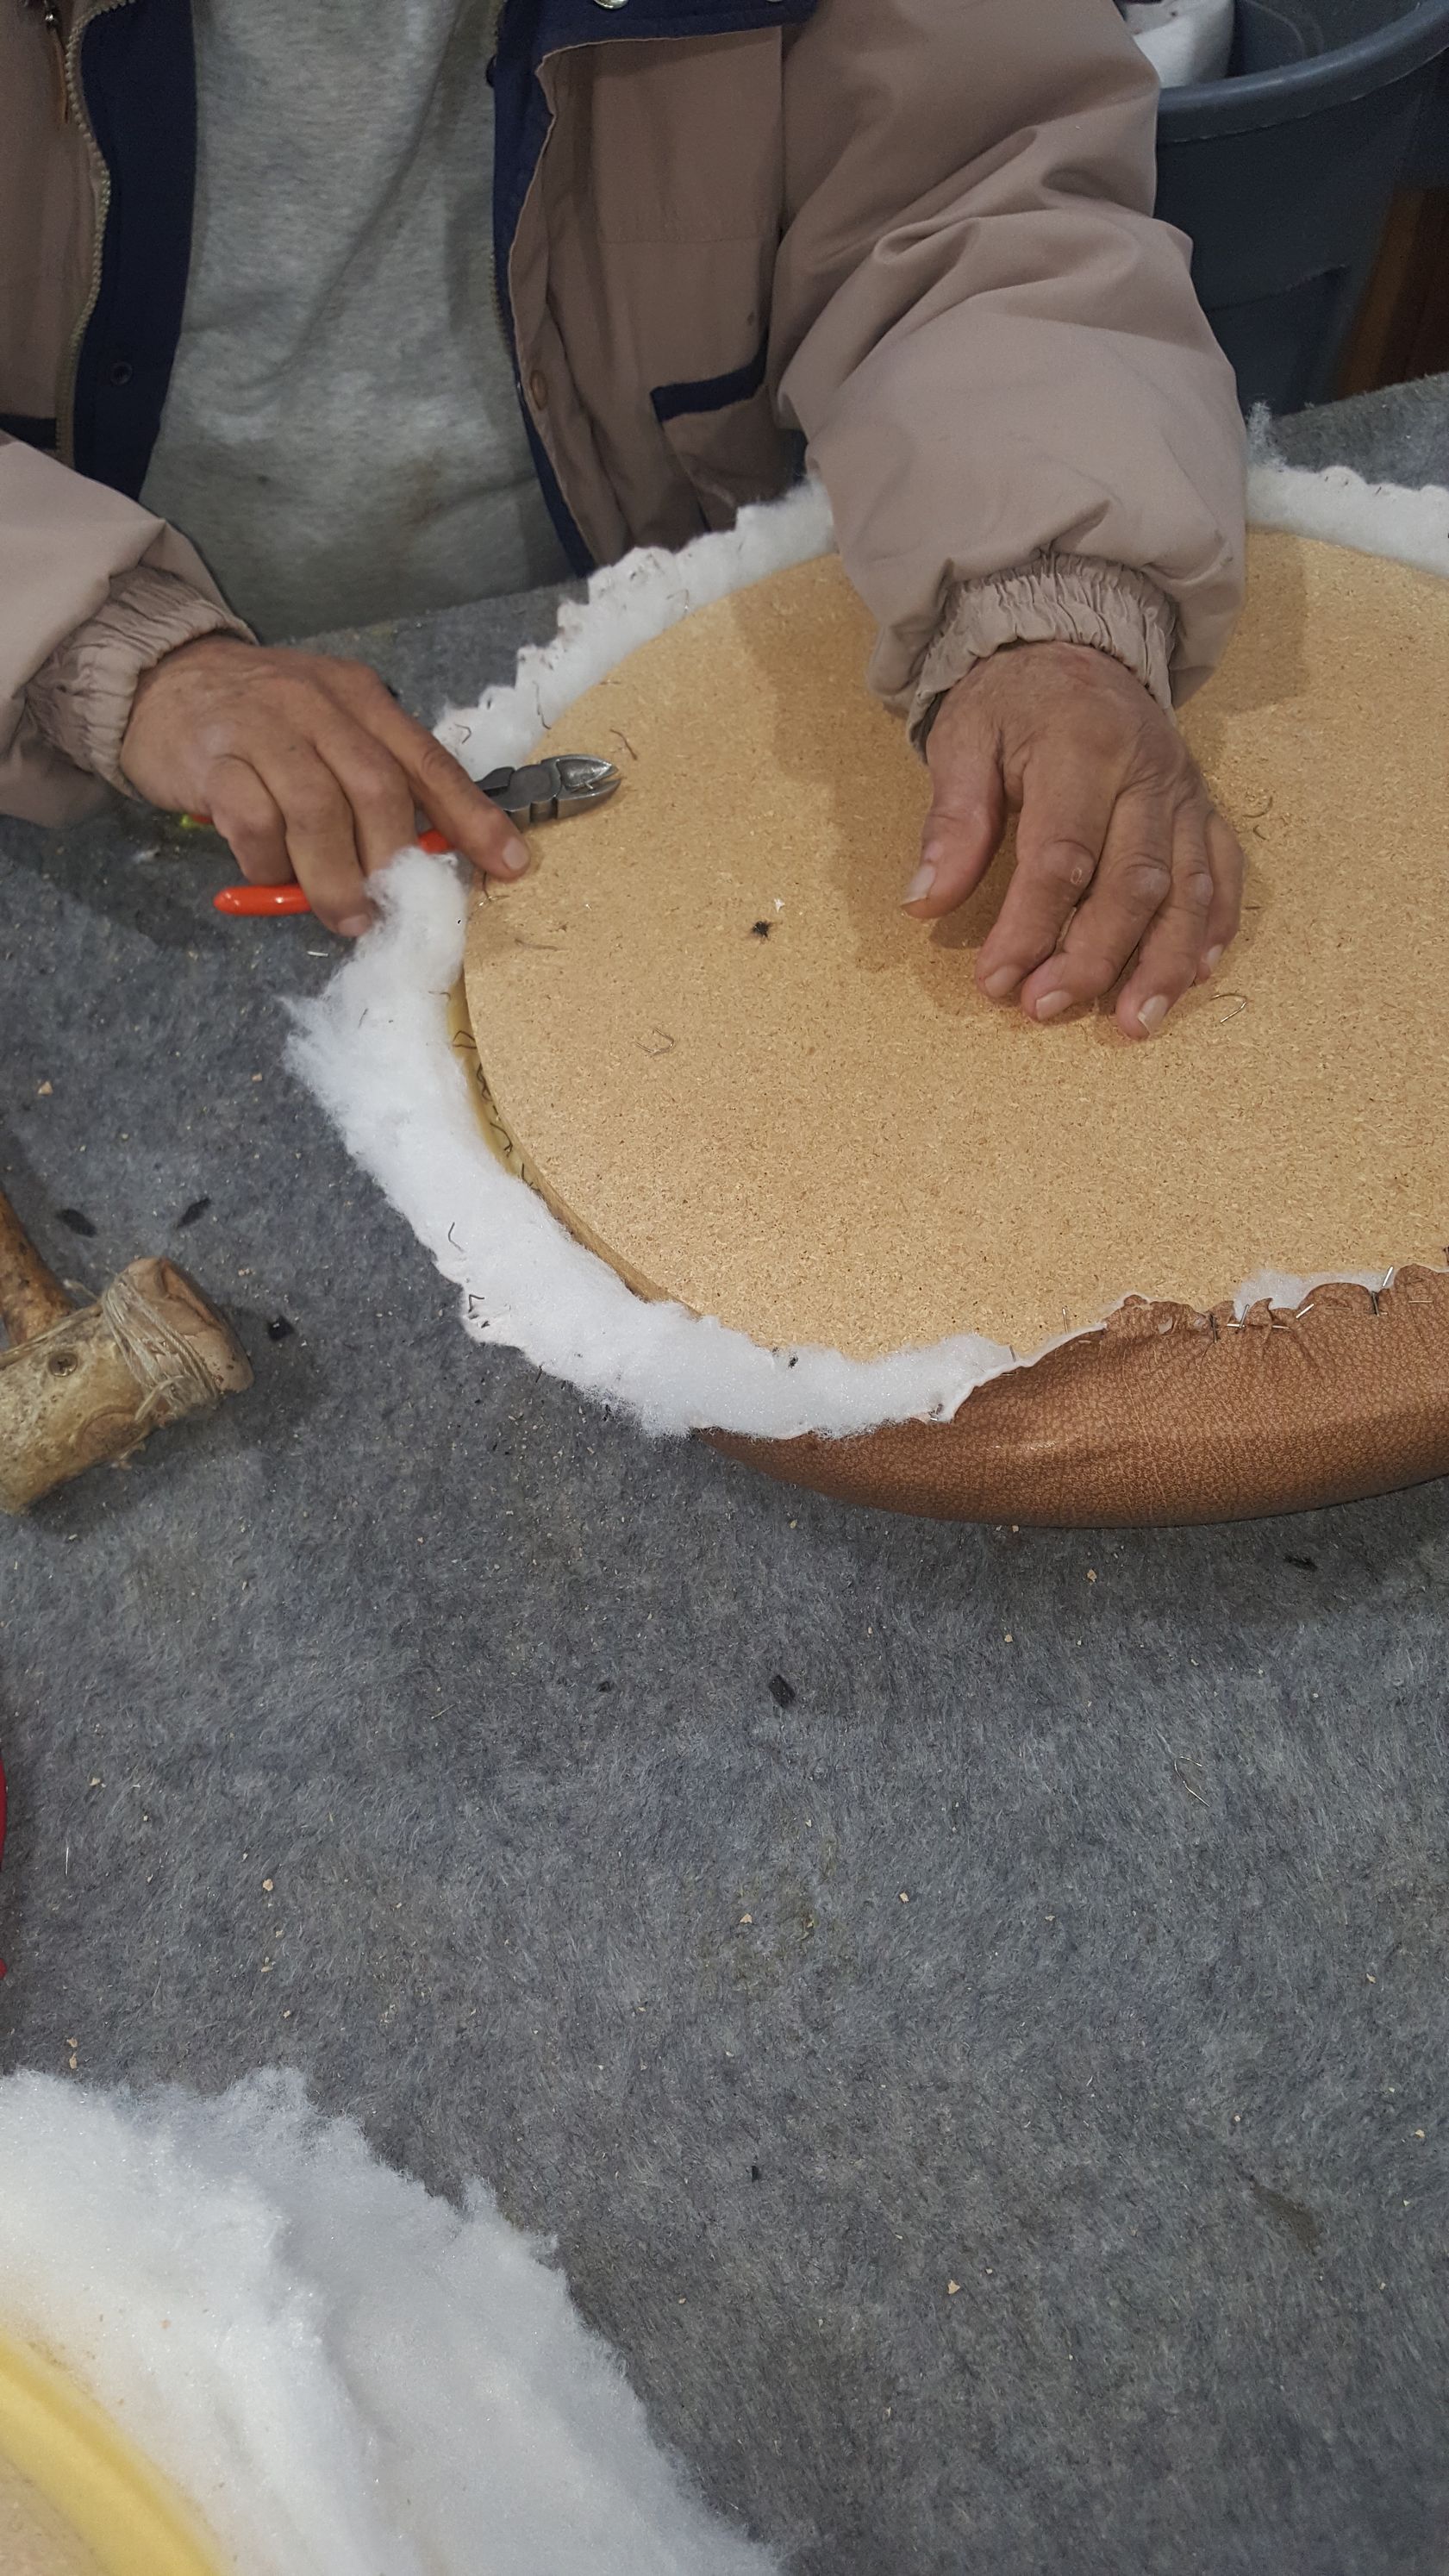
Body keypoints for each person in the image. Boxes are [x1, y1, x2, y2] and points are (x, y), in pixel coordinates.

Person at [1, 0, 1245, 1037]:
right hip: (63, 740)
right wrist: (89, 640)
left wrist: (1045, 593)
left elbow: (977, 196)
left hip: (654, 638)